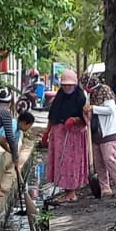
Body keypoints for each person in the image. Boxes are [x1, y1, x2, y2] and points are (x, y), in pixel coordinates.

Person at [44, 68, 91, 202]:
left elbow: (85, 117)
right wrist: (47, 132)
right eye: (64, 85)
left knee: (70, 162)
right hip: (59, 134)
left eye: (69, 85)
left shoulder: (80, 96)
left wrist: (75, 119)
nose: (67, 87)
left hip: (73, 136)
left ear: (75, 84)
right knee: (60, 162)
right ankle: (66, 190)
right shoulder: (60, 96)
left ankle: (71, 192)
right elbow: (52, 115)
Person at [90, 82, 116, 195]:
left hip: (109, 133)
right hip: (96, 133)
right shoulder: (90, 95)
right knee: (98, 162)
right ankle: (105, 188)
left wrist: (93, 108)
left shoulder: (105, 92)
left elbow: (110, 110)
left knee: (109, 159)